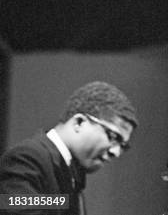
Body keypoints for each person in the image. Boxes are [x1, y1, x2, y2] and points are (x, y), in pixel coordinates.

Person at [0, 81, 137, 215]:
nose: (116, 152)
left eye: (122, 146)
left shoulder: (71, 173)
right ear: (79, 122)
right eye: (113, 137)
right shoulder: (27, 159)